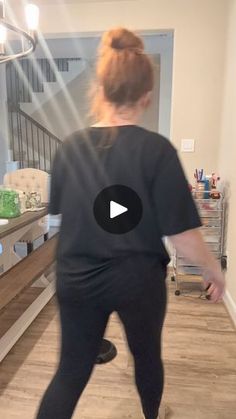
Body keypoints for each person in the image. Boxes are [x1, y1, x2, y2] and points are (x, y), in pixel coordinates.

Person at [36, 28, 225, 419]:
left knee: (70, 374)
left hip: (77, 277)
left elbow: (60, 216)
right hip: (138, 279)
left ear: (100, 91)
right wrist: (214, 270)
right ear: (146, 98)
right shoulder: (157, 150)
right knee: (147, 360)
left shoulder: (69, 147)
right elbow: (182, 234)